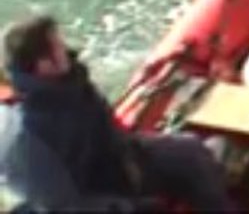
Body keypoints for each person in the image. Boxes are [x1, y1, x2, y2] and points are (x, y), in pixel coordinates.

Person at [0, 15, 234, 212]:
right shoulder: (30, 140)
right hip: (99, 200)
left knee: (191, 153)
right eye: (58, 47)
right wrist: (127, 207)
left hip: (121, 162)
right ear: (43, 65)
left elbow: (107, 134)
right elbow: (66, 206)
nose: (68, 49)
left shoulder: (71, 84)